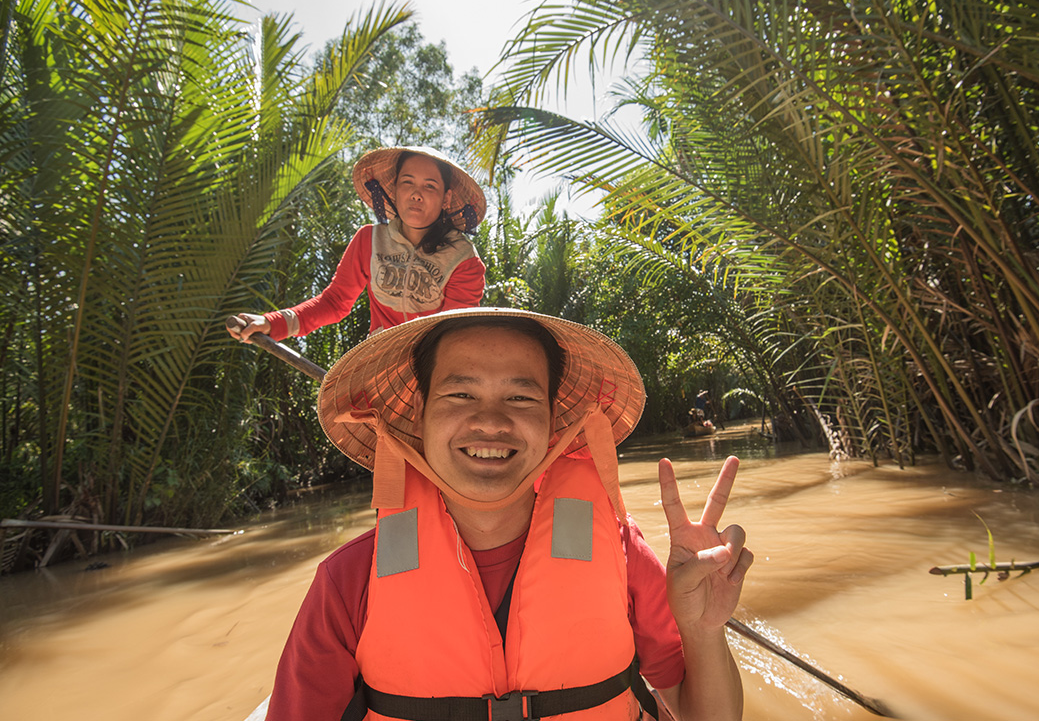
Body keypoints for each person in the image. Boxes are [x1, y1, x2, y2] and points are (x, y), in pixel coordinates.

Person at [267, 308, 754, 721]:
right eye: (461, 394)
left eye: (521, 397)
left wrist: (703, 630)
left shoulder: (624, 553)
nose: (491, 422)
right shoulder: (347, 582)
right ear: (418, 412)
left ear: (553, 418)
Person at [227, 147, 487, 344]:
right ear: (394, 189)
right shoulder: (369, 241)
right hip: (378, 367)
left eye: (430, 186)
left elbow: (452, 334)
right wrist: (272, 323)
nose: (416, 194)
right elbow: (334, 302)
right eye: (407, 182)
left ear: (446, 198)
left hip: (434, 374)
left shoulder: (462, 259)